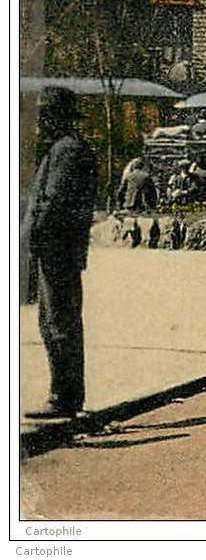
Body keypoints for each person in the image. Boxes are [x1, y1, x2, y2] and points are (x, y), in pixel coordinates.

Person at [23, 87, 97, 419]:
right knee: (54, 319)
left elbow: (53, 203)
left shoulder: (67, 151)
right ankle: (64, 394)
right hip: (56, 246)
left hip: (56, 246)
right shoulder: (65, 148)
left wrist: (32, 237)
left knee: (58, 321)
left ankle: (63, 397)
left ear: (54, 118)